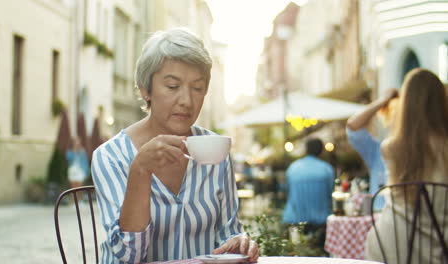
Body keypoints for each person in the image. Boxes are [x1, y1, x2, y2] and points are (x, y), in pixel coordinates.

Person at [91, 28, 258, 263]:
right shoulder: (111, 156)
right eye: (172, 86)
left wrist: (239, 242)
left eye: (197, 88)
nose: (187, 101)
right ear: (145, 90)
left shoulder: (216, 149)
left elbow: (228, 233)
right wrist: (140, 170)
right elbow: (129, 256)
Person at [364, 68, 448, 263]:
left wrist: (384, 100)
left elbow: (353, 127)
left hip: (391, 242)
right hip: (440, 244)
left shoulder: (391, 148)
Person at [346, 88, 399, 209]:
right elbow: (352, 126)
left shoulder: (422, 149)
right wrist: (383, 101)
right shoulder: (377, 150)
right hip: (380, 215)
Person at [282, 138, 334, 248]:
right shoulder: (326, 169)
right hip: (321, 222)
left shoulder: (293, 168)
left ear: (306, 150)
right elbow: (331, 194)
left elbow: (287, 192)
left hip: (294, 219)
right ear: (321, 151)